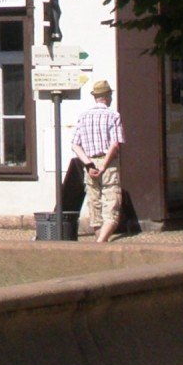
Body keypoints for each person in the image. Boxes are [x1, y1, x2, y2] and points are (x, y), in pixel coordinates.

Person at [72, 80, 125, 243]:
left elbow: (75, 145)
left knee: (94, 203)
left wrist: (88, 164)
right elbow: (115, 144)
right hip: (107, 163)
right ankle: (101, 242)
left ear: (95, 97)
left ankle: (99, 242)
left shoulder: (83, 116)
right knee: (111, 204)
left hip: (89, 163)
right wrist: (104, 165)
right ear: (108, 96)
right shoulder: (113, 115)